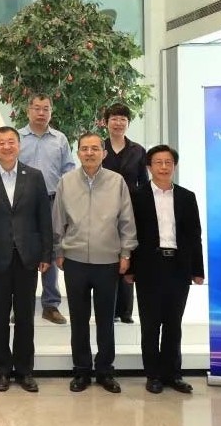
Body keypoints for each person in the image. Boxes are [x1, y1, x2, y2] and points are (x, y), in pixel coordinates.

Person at [52, 132, 137, 394]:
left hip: (108, 261)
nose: (89, 153)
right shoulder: (66, 182)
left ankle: (105, 370)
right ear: (77, 153)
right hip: (75, 260)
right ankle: (81, 370)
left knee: (105, 320)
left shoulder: (116, 182)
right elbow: (58, 220)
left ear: (104, 153)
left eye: (95, 149)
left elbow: (127, 220)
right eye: (84, 149)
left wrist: (126, 253)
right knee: (78, 319)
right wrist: (58, 250)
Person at [0, 127, 52, 393]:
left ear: (19, 145)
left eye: (11, 142)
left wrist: (46, 253)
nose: (6, 147)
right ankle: (2, 369)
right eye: (1, 143)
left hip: (27, 257)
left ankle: (25, 370)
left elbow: (44, 217)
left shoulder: (34, 176)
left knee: (26, 316)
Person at [128, 145, 204, 395]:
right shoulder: (137, 196)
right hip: (149, 267)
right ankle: (153, 375)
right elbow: (131, 234)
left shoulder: (186, 197)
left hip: (178, 267)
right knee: (150, 324)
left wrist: (197, 269)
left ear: (174, 166)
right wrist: (130, 269)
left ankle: (173, 374)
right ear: (149, 167)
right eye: (158, 162)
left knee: (174, 323)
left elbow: (194, 235)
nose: (163, 167)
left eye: (168, 162)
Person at [17, 93, 75, 325]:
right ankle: (22, 305)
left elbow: (68, 169)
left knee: (51, 249)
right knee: (23, 250)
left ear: (51, 112)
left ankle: (50, 305)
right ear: (28, 110)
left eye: (46, 109)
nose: (41, 113)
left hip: (52, 201)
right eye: (37, 108)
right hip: (22, 203)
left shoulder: (60, 139)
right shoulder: (17, 138)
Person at [101, 102, 149, 325]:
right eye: (114, 118)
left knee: (128, 256)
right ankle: (108, 309)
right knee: (108, 258)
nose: (118, 123)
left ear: (128, 123)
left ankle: (126, 310)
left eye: (123, 119)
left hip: (131, 209)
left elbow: (143, 182)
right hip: (102, 210)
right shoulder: (99, 147)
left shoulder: (138, 150)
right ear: (106, 122)